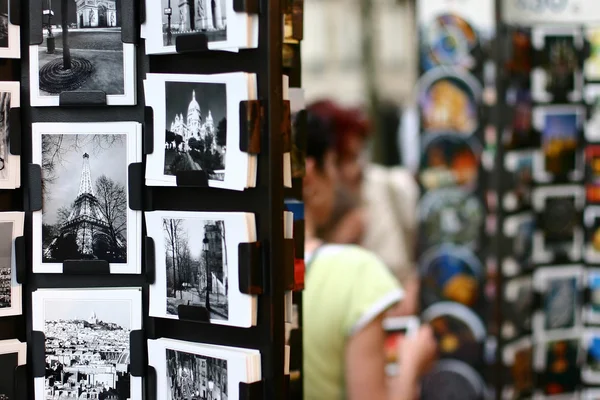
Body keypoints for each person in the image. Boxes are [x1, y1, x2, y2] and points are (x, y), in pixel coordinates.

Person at [302, 107, 438, 399]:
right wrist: (411, 364)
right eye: (336, 162)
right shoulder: (357, 272)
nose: (344, 174)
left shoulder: (251, 272)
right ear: (311, 173)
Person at [306, 100, 421, 316]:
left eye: (357, 156)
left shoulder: (387, 188)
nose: (354, 170)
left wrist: (413, 287)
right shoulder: (309, 220)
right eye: (341, 160)